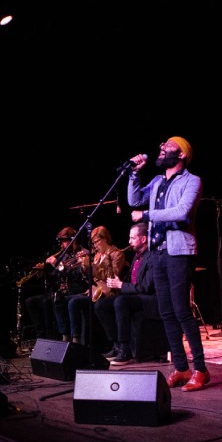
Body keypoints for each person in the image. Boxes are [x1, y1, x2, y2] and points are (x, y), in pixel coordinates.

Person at [125, 136, 209, 392]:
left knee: (182, 310)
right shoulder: (158, 181)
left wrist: (147, 215)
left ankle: (201, 370)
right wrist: (134, 175)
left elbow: (182, 211)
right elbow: (134, 199)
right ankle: (181, 367)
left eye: (169, 145)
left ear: (182, 154)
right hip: (158, 252)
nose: (162, 147)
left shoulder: (192, 181)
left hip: (179, 251)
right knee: (166, 313)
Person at [95, 221, 159, 366]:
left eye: (132, 238)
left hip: (150, 299)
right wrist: (117, 282)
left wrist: (122, 285)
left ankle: (126, 350)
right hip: (135, 297)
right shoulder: (136, 256)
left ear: (143, 239)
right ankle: (117, 345)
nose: (129, 242)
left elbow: (146, 287)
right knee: (101, 305)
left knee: (121, 302)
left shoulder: (153, 257)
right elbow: (129, 281)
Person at [65, 225, 127, 351]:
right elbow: (91, 278)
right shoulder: (98, 255)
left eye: (96, 242)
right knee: (62, 300)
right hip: (94, 290)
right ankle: (67, 339)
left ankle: (77, 344)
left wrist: (91, 265)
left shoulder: (117, 254)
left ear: (105, 239)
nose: (95, 246)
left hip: (108, 292)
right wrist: (84, 266)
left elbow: (111, 276)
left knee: (74, 303)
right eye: (93, 243)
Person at [22, 227, 87, 342]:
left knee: (60, 300)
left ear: (74, 240)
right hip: (61, 292)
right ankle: (44, 337)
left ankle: (72, 339)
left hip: (76, 290)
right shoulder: (64, 256)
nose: (63, 244)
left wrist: (55, 263)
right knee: (31, 301)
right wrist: (43, 272)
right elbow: (56, 275)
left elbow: (77, 275)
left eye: (65, 241)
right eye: (61, 242)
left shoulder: (82, 253)